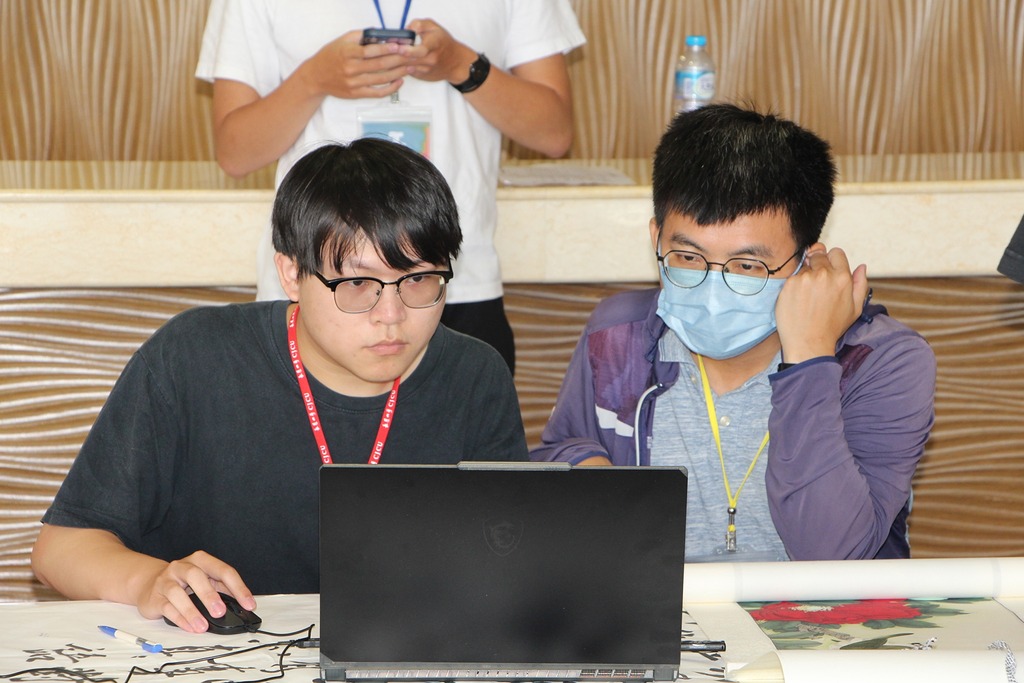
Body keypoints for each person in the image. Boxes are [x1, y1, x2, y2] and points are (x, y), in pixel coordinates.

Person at [31, 139, 528, 633]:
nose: (391, 315)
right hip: (211, 655)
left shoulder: (475, 376)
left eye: (418, 280)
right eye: (357, 284)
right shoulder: (194, 357)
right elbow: (61, 548)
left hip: (400, 648)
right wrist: (148, 581)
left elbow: (512, 558)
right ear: (292, 273)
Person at [531, 104, 936, 563]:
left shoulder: (882, 361)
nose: (712, 287)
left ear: (807, 262)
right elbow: (561, 449)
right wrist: (589, 471)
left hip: (815, 611)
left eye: (747, 266)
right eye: (688, 258)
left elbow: (834, 556)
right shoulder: (616, 336)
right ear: (656, 238)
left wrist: (810, 357)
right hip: (665, 606)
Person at [194, 0, 587, 374]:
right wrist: (314, 79)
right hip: (321, 284)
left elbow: (554, 133)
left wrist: (460, 64)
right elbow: (236, 153)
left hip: (453, 280)